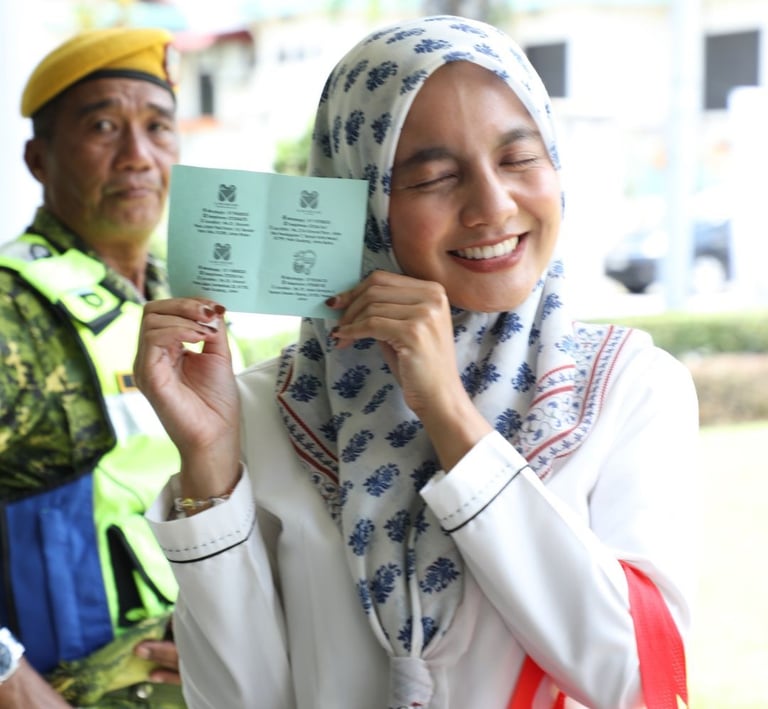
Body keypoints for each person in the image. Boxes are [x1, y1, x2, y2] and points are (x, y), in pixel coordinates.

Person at [136, 14, 698, 709]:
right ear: (364, 200)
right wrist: (210, 466)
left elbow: (641, 679)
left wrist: (451, 416)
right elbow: (241, 699)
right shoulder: (264, 408)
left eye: (520, 158)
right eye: (435, 177)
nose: (493, 206)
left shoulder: (625, 386)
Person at [0, 27, 187, 708]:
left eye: (157, 127)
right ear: (39, 158)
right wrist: (11, 683)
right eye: (104, 126)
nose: (138, 156)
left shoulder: (182, 299)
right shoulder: (11, 308)